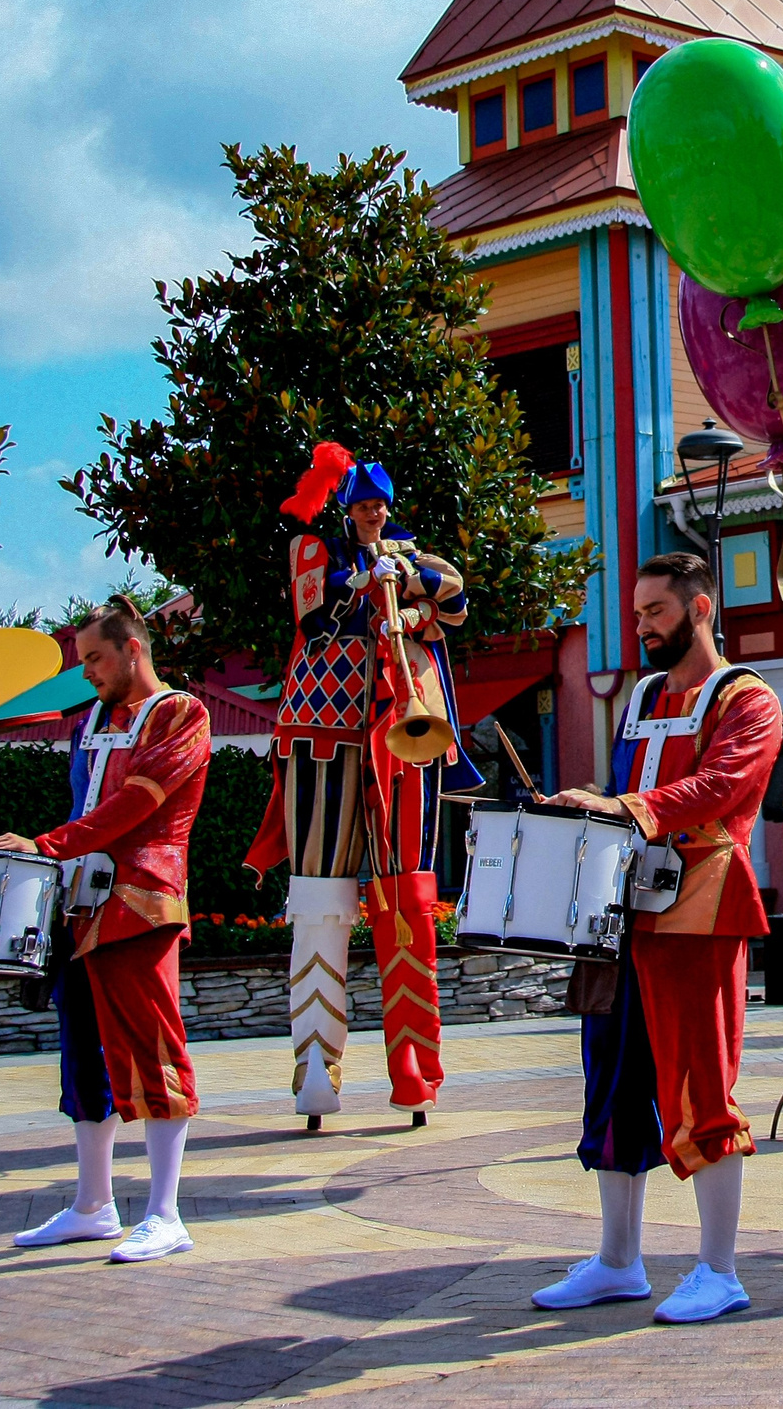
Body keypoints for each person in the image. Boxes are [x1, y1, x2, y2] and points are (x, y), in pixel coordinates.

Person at [532, 551, 781, 1325]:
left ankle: (720, 1269)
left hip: (703, 909)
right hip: (621, 914)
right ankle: (617, 1261)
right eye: (637, 613)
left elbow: (722, 787)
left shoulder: (750, 699)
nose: (640, 626)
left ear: (700, 609)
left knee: (701, 1082)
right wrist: (589, 809)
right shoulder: (640, 695)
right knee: (609, 1084)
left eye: (655, 613)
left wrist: (622, 808)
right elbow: (627, 797)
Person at [244, 441, 479, 1129]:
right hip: (323, 728)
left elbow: (457, 601)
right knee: (320, 903)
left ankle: (414, 1071)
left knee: (407, 897)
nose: (374, 512)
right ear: (346, 508)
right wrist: (368, 584)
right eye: (362, 503)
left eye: (381, 503)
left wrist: (409, 585)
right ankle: (316, 1067)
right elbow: (313, 616)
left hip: (404, 732)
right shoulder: (316, 552)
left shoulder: (410, 554)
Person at [0, 596, 212, 1263]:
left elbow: (134, 805)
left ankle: (166, 1212)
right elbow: (90, 803)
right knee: (84, 1061)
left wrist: (45, 846)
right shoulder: (94, 719)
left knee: (154, 1049)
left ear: (132, 648)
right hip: (82, 911)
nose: (86, 671)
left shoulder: (181, 713)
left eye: (94, 657)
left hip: (143, 906)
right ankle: (93, 1204)